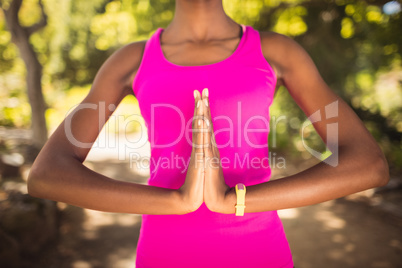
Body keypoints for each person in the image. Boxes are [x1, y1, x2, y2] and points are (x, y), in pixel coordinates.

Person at [27, 0, 390, 267]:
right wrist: (178, 201)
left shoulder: (276, 52)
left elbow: (367, 164)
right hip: (164, 252)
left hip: (258, 251)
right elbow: (47, 176)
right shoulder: (131, 60)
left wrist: (232, 201)